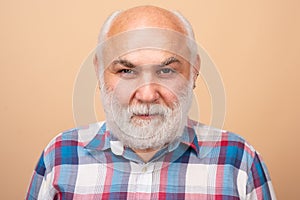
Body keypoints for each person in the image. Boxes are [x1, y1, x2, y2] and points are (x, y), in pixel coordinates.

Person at [26, 5, 276, 200]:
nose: (146, 95)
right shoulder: (59, 156)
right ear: (100, 72)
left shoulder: (240, 161)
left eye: (166, 71)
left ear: (194, 71)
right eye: (126, 71)